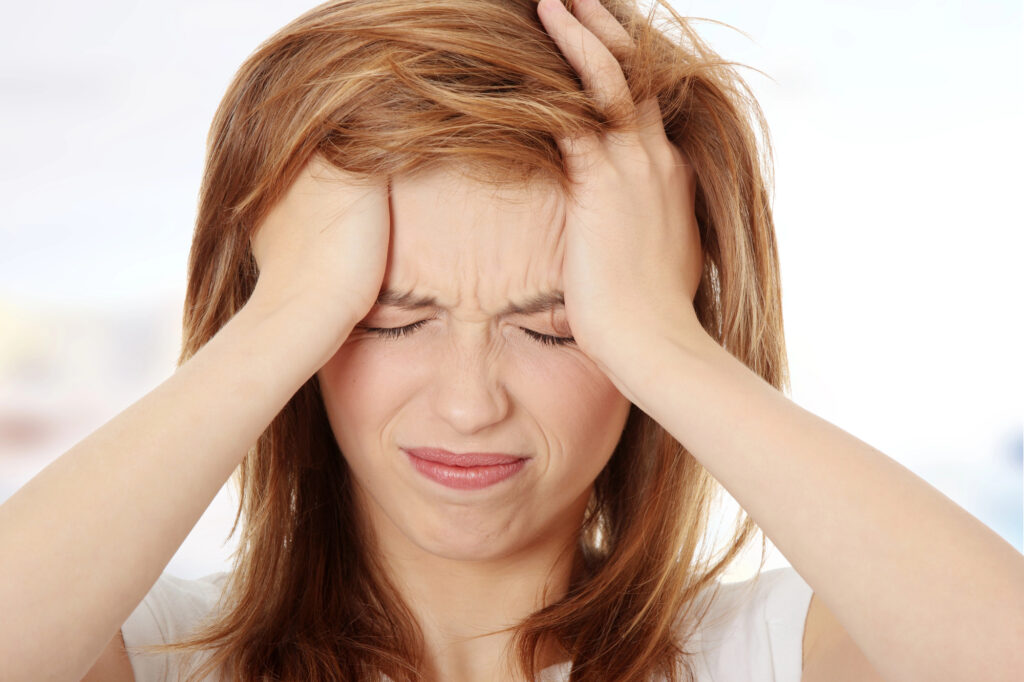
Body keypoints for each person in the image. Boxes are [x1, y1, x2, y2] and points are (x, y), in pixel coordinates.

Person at [1, 0, 1021, 680]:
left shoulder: (767, 650)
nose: (468, 401)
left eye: (555, 327)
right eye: (389, 317)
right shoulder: (159, 651)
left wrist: (662, 341)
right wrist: (278, 314)